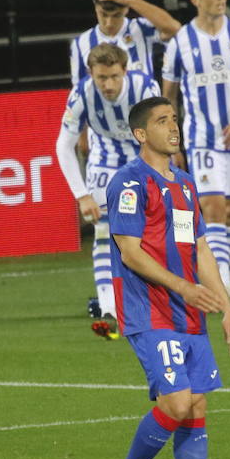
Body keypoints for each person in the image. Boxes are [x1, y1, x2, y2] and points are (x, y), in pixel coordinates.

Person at [104, 96, 230, 459]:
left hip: (189, 314)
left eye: (175, 119)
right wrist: (182, 287)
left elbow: (200, 249)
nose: (173, 127)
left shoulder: (184, 184)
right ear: (141, 134)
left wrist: (225, 306)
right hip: (149, 310)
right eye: (162, 121)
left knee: (197, 404)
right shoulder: (129, 184)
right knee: (177, 402)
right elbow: (130, 251)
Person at [161, 0, 230, 309]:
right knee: (213, 207)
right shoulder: (181, 43)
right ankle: (224, 290)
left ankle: (227, 276)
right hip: (201, 139)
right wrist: (171, 142)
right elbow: (169, 97)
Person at [54, 44, 160, 337]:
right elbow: (63, 145)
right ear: (91, 73)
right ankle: (110, 309)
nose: (108, 84)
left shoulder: (145, 87)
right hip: (105, 162)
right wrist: (81, 194)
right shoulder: (82, 93)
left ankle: (158, 299)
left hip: (143, 158)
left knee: (153, 233)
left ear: (125, 71)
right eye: (101, 77)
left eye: (114, 76)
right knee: (104, 232)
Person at [69, 0, 181, 86]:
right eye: (103, 15)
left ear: (127, 8)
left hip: (144, 103)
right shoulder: (80, 43)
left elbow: (175, 29)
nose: (109, 23)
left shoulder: (142, 28)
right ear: (95, 5)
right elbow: (78, 90)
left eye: (116, 15)